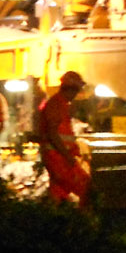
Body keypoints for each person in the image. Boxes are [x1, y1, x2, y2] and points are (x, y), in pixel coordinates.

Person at [37, 70, 92, 207]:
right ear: (71, 89)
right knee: (84, 184)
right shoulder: (56, 104)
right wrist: (68, 156)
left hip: (57, 156)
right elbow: (53, 133)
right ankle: (84, 216)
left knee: (59, 192)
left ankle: (59, 213)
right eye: (76, 91)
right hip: (57, 157)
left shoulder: (61, 104)